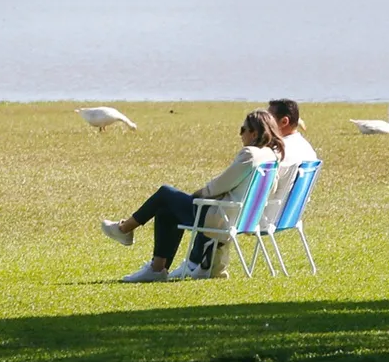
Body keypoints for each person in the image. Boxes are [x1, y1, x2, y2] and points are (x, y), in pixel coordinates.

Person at [100, 109, 285, 283]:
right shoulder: (271, 157)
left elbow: (219, 185)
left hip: (220, 217)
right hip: (240, 217)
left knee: (165, 192)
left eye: (243, 129)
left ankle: (124, 230)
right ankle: (157, 269)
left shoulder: (250, 154)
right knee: (166, 209)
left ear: (254, 134)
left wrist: (197, 195)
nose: (240, 134)